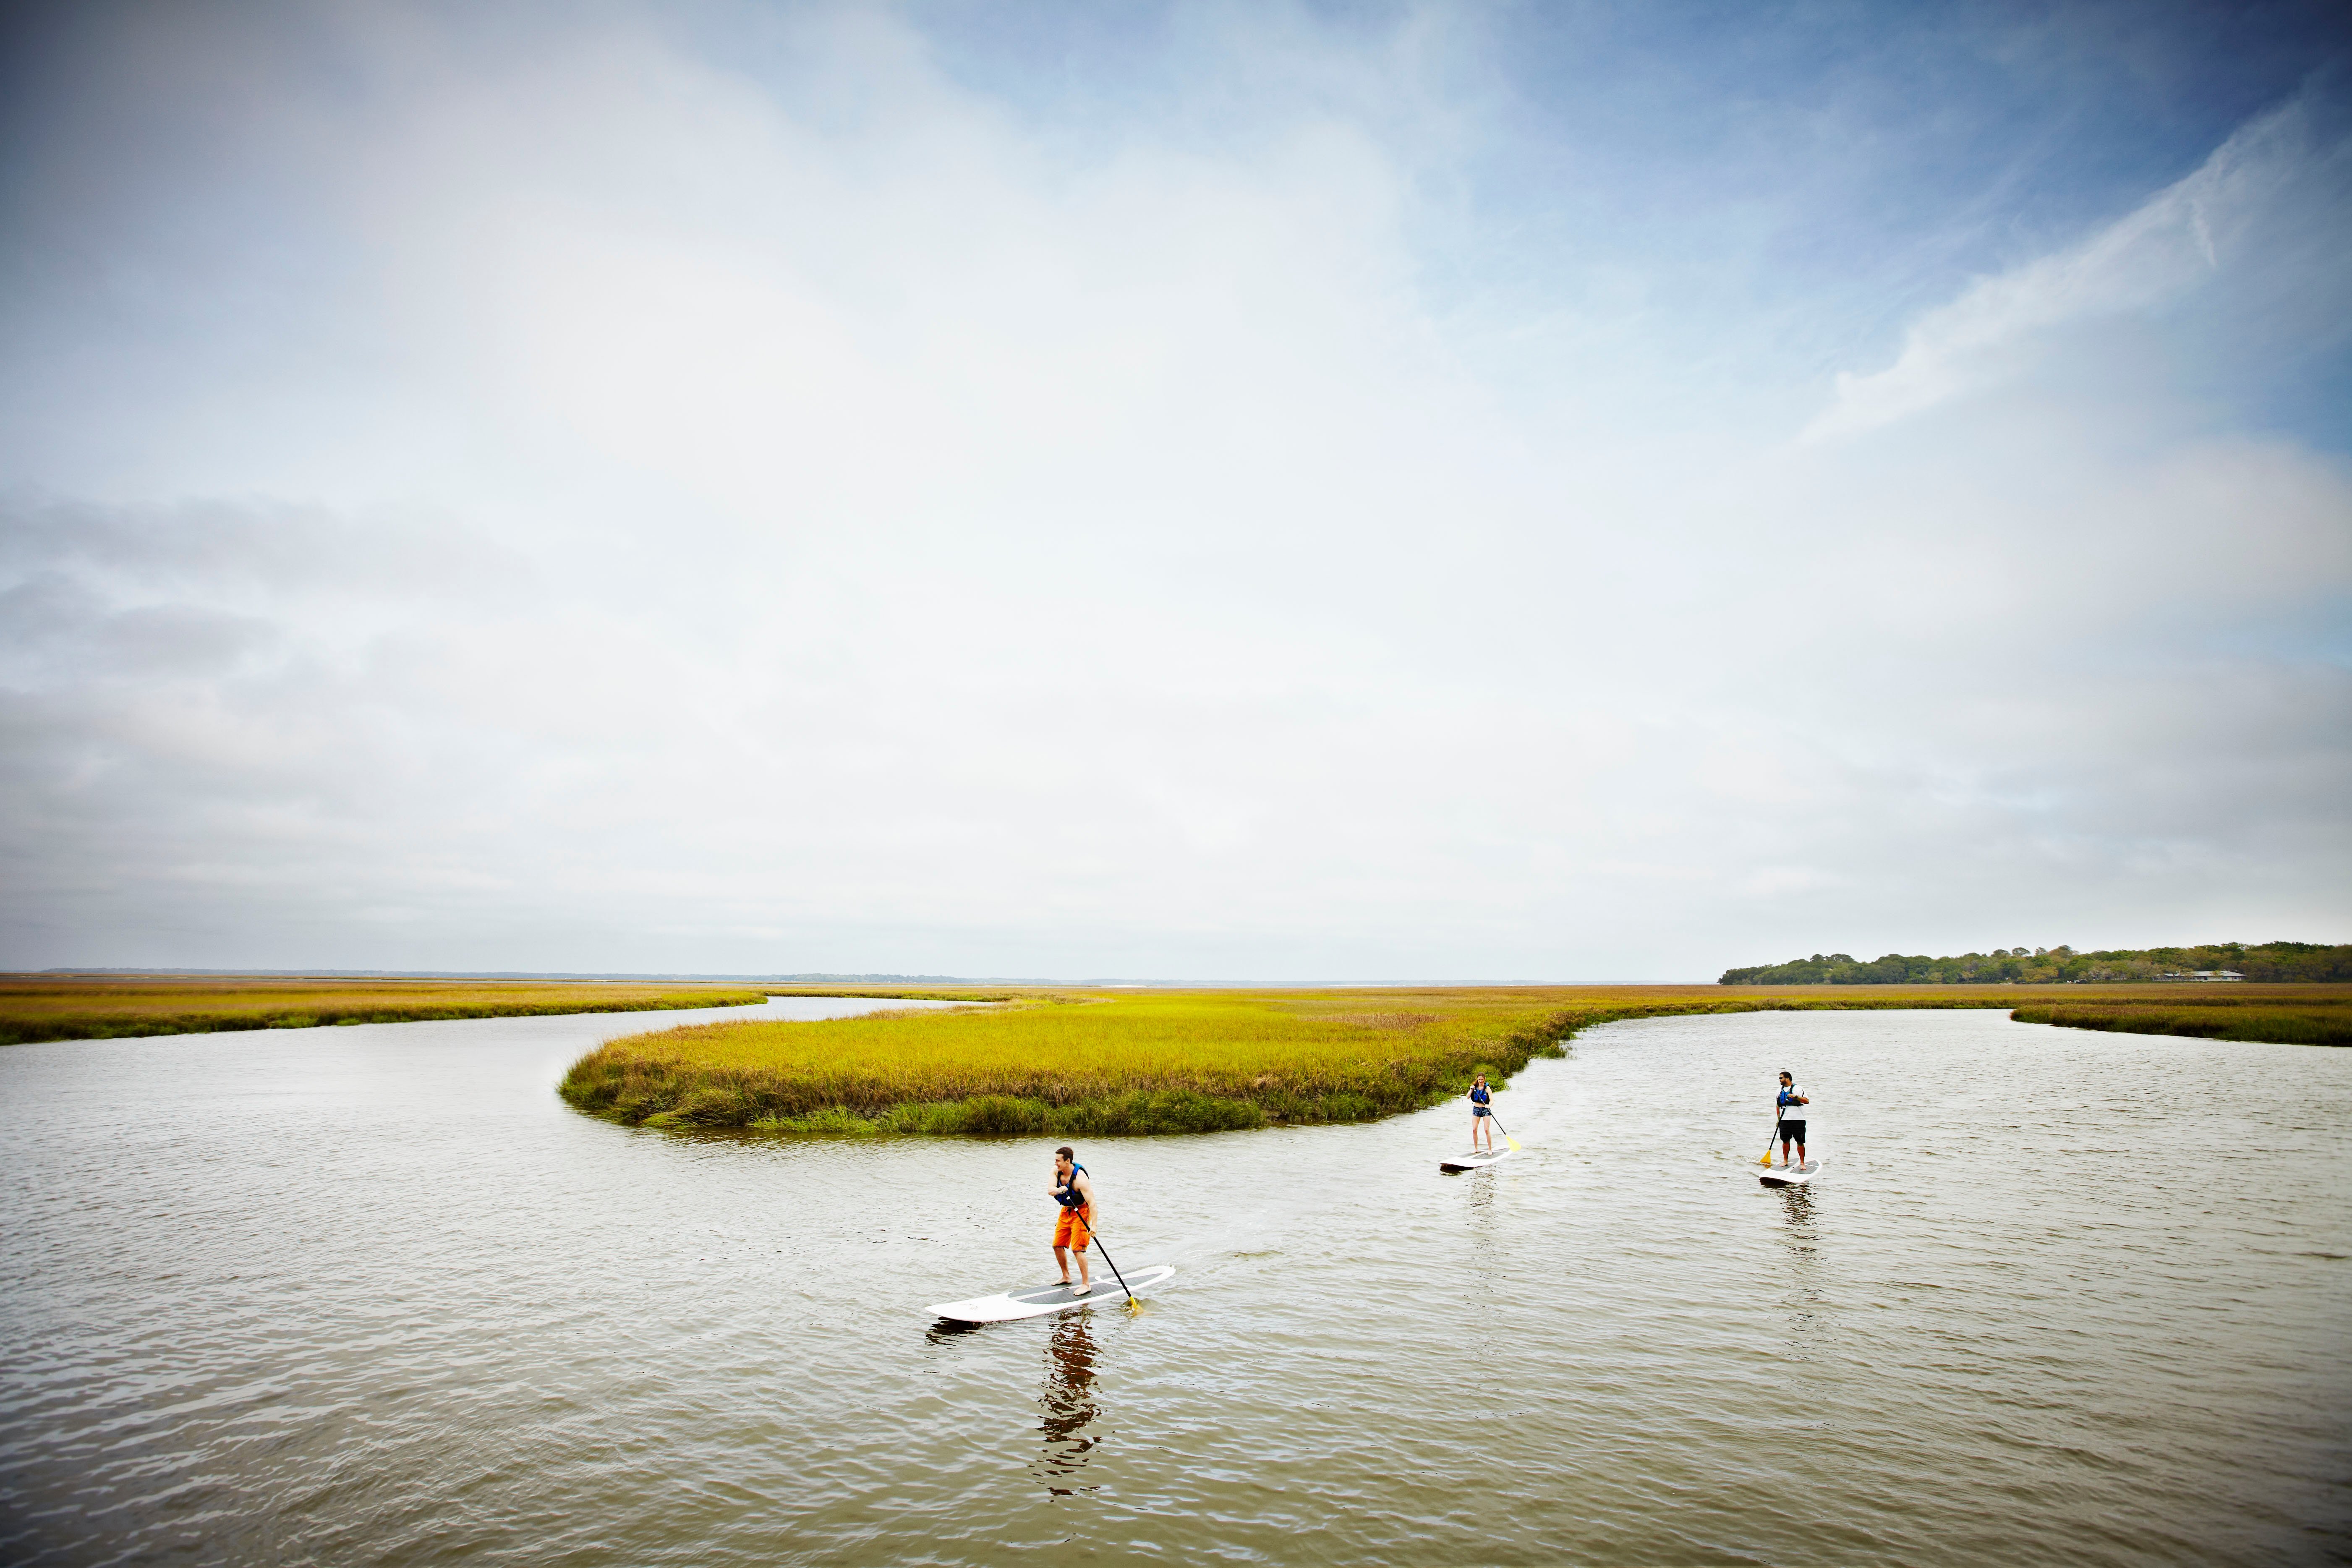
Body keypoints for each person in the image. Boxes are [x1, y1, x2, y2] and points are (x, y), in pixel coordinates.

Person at [1050, 1145, 1097, 1294]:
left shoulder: (1080, 1179)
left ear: (1068, 1161)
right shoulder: (1055, 1172)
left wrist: (1094, 1226)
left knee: (1078, 1249)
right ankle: (1066, 1276)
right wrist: (1061, 1190)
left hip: (1082, 1211)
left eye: (1058, 1161)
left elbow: (1093, 1203)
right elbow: (1051, 1190)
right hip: (1067, 1210)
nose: (1056, 1163)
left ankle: (1086, 1284)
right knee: (1057, 1245)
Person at [1774, 1071, 1811, 1168]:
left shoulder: (1799, 1089)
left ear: (1787, 1079)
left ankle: (1802, 1163)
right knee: (1785, 1141)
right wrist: (1778, 1120)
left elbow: (1807, 1101)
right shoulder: (1779, 1091)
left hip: (1798, 1120)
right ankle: (1785, 1161)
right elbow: (1778, 1105)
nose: (1780, 1080)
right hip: (1785, 1120)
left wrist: (1796, 1097)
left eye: (1781, 1078)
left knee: (1800, 1141)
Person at [1468, 1074, 1495, 1151]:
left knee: (1487, 1130)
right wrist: (1471, 1090)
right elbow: (1468, 1097)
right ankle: (1476, 1149)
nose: (1481, 1081)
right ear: (1478, 1079)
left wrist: (1489, 1106)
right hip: (1476, 1109)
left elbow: (1492, 1101)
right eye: (1479, 1080)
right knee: (1474, 1130)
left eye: (1482, 1080)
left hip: (1485, 1109)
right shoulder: (1475, 1088)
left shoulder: (1487, 1088)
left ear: (1484, 1079)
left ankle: (1490, 1149)